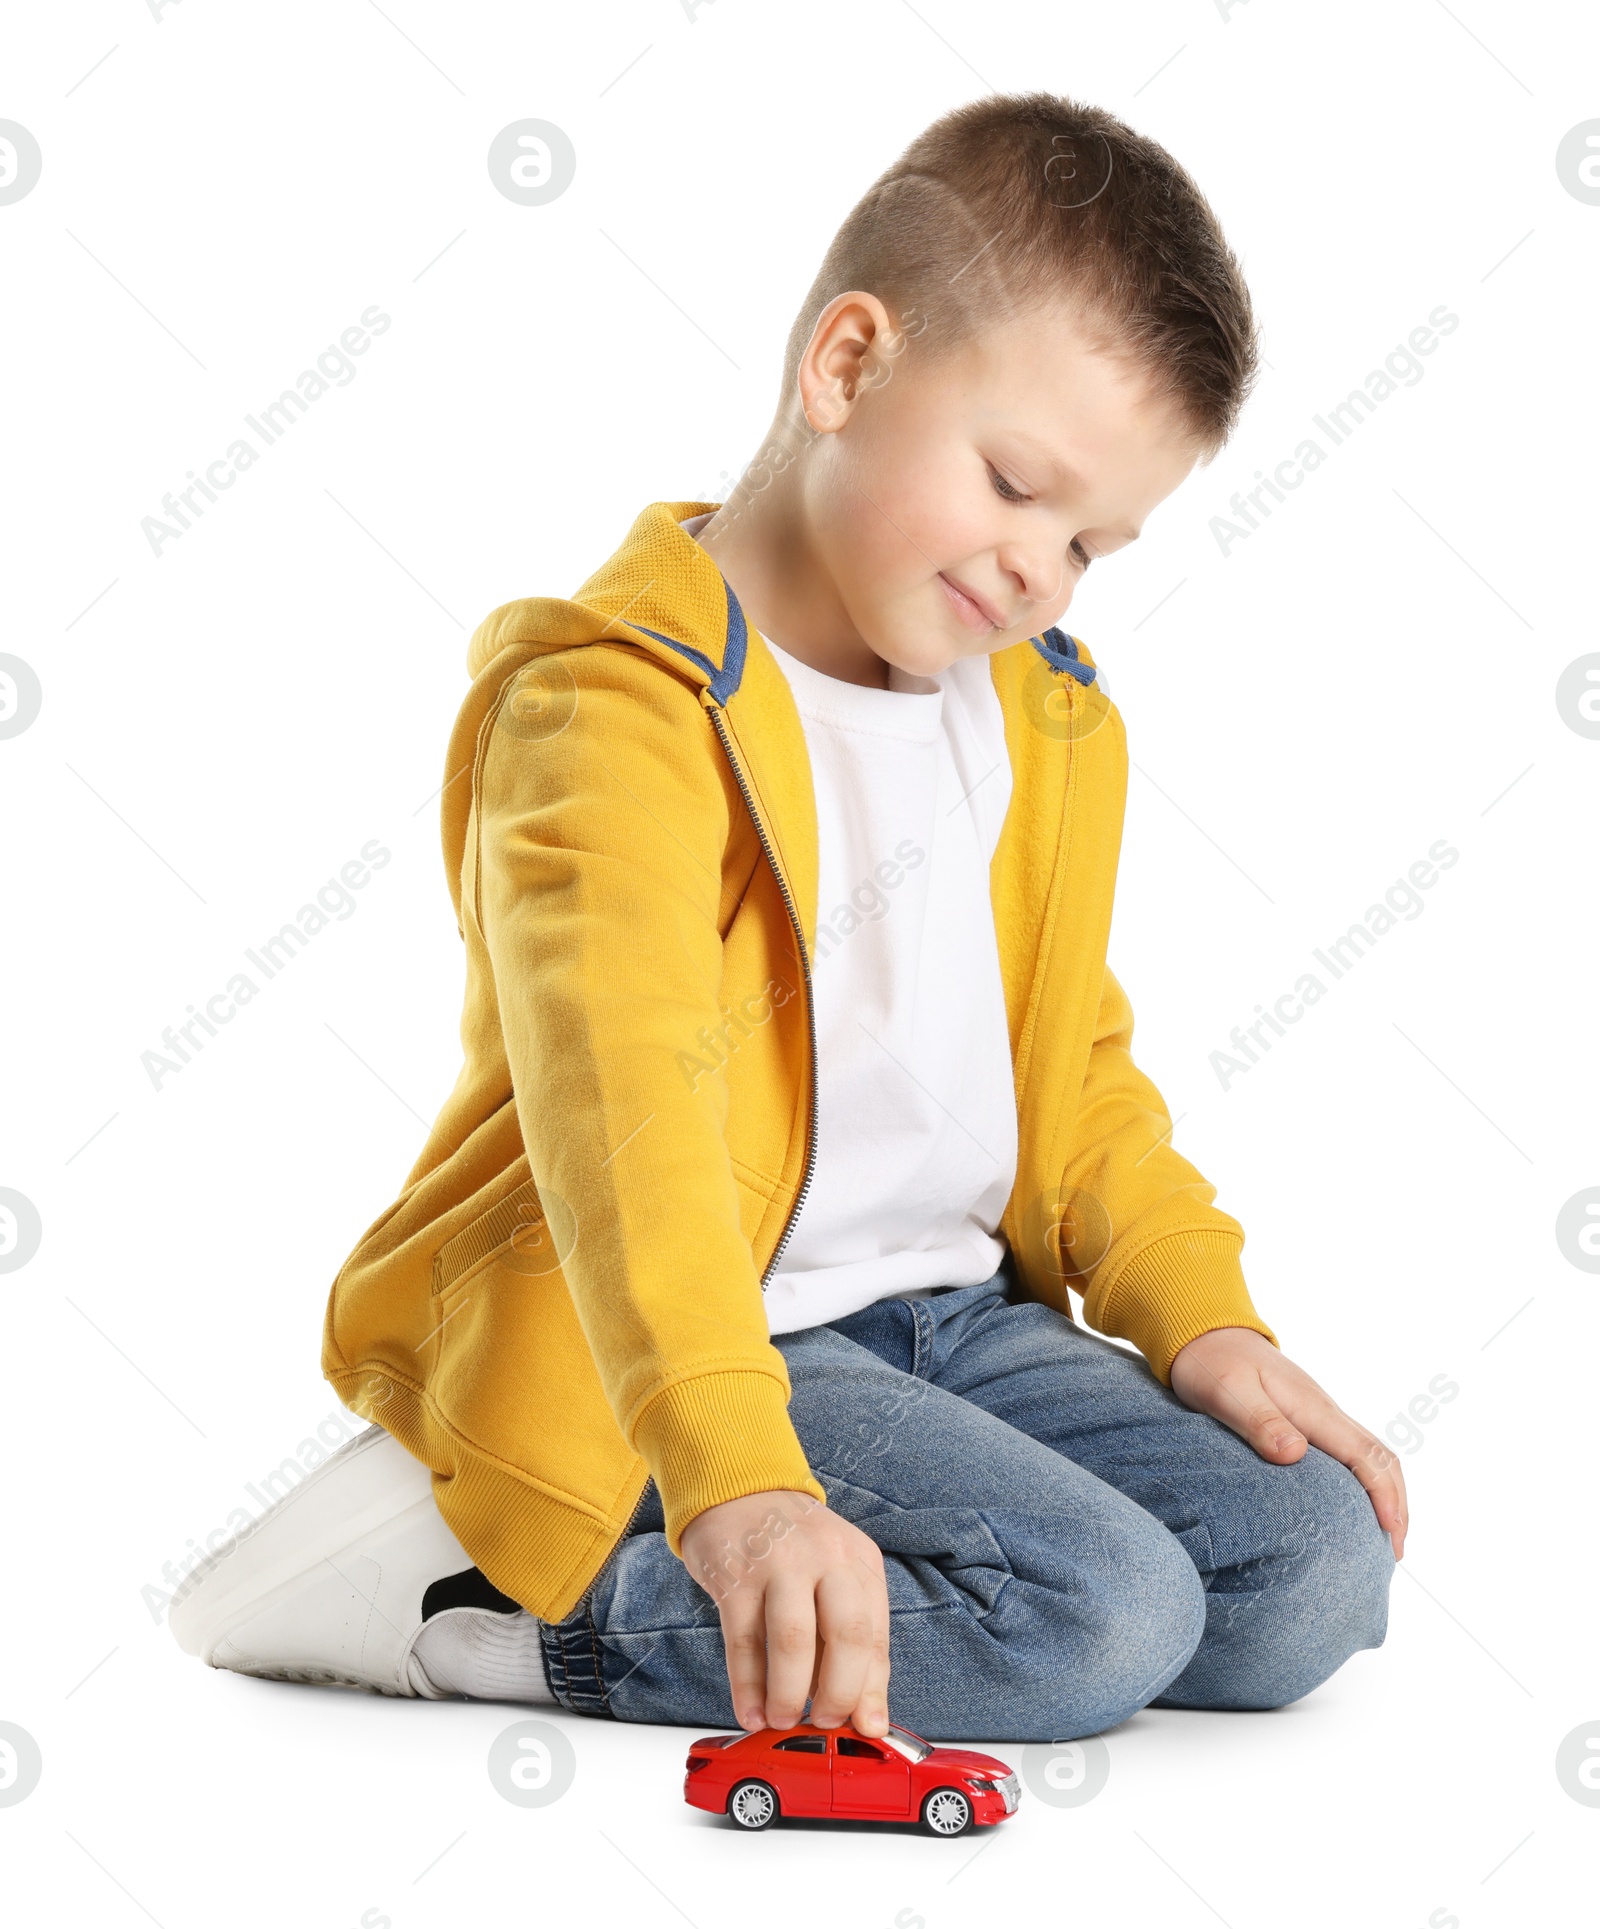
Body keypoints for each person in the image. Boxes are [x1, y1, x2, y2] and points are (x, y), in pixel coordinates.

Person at [170, 92, 1401, 1743]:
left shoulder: (1035, 719)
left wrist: (1207, 1315)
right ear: (847, 367)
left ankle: (903, 1569)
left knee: (1312, 1563)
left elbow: (1072, 1066)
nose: (1040, 569)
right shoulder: (607, 713)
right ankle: (512, 1606)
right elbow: (631, 1131)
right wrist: (736, 1469)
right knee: (1102, 1615)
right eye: (1015, 485)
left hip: (951, 1318)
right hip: (720, 1326)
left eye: (1093, 543)